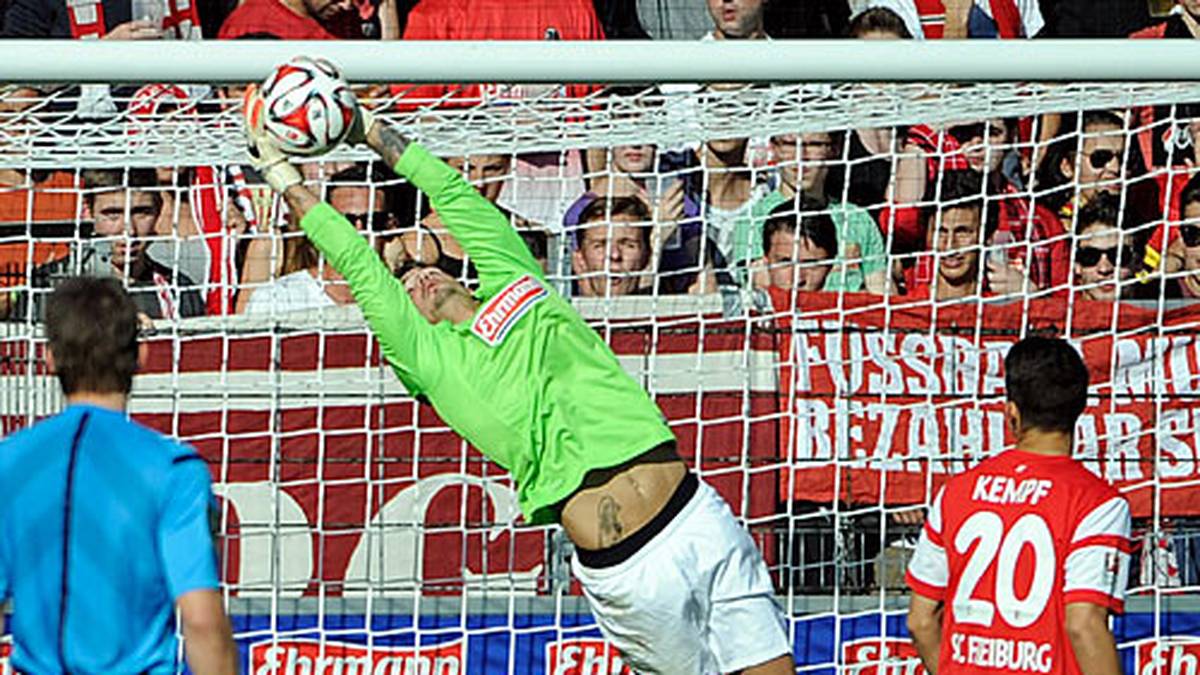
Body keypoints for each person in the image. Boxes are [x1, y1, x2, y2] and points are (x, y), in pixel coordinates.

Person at [243, 85, 794, 675]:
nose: (416, 281)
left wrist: (369, 129)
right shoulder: (428, 357)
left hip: (696, 515)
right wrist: (280, 174)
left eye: (419, 270)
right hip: (629, 567)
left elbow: (451, 191)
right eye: (404, 285)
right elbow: (359, 263)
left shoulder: (516, 282)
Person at [0, 277, 237, 674]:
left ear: (50, 359)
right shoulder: (172, 468)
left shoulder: (10, 461)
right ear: (141, 355)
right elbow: (200, 619)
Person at [906, 336, 1131, 675]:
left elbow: (921, 621)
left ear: (1010, 410)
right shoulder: (1098, 503)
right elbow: (1083, 624)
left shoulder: (956, 491)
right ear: (1081, 408)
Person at [7, 169, 205, 321]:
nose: (128, 230)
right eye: (112, 214)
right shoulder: (48, 286)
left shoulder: (179, 290)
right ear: (88, 211)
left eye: (141, 212)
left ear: (159, 210)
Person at [739, 131, 889, 294]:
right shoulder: (752, 220)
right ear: (774, 148)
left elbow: (881, 294)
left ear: (835, 149)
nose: (801, 157)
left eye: (814, 144)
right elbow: (765, 293)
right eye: (790, 144)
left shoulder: (857, 218)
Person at [243, 163, 395, 314]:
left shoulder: (404, 299)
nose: (359, 231)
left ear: (390, 227)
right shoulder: (277, 299)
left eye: (374, 221)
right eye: (346, 221)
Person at [903, 170, 1000, 301]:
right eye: (941, 232)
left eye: (962, 232)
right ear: (928, 235)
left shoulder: (1002, 312)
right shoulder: (910, 310)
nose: (950, 246)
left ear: (988, 237)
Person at [571, 196, 653, 298]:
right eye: (599, 245)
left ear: (647, 255)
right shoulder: (556, 312)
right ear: (580, 259)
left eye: (629, 245)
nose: (615, 255)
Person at [1072, 192, 1141, 302]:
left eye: (1117, 256)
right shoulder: (1059, 317)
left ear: (1138, 262)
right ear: (1077, 266)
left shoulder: (1164, 314)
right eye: (1090, 256)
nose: (1104, 269)